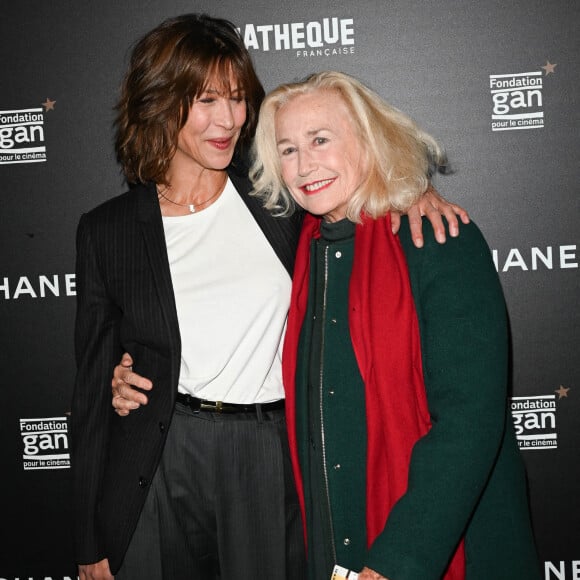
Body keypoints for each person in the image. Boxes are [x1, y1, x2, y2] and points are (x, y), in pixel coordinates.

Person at [76, 13, 467, 580]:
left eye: (237, 99)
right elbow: (90, 396)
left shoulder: (277, 194)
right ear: (160, 102)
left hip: (266, 453)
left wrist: (418, 190)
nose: (229, 119)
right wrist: (88, 539)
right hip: (156, 460)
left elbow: (356, 172)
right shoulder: (105, 231)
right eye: (206, 100)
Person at [248, 71, 542, 579]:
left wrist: (396, 562)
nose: (303, 165)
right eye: (288, 150)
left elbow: (468, 421)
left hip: (438, 552)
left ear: (368, 140)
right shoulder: (306, 251)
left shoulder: (437, 239)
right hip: (340, 548)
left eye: (320, 140)